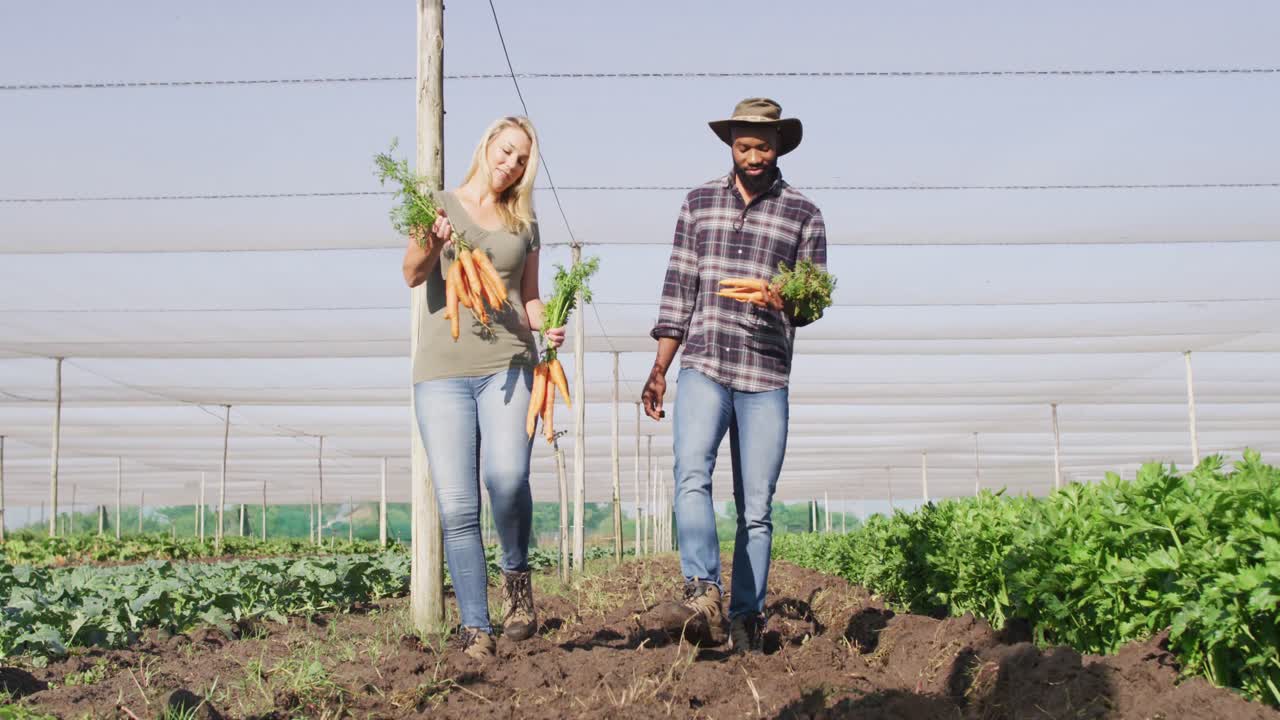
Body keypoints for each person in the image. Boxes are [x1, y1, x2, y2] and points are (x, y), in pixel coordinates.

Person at [640, 98, 828, 653]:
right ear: (731, 144)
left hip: (766, 374)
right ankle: (702, 591)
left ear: (779, 148)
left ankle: (747, 614)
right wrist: (659, 368)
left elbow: (814, 299)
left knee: (758, 504)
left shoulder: (803, 214)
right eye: (744, 145)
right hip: (704, 362)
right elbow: (679, 289)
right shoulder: (698, 204)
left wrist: (784, 297)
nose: (753, 155)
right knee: (691, 473)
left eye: (763, 146)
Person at [402, 116, 566, 661]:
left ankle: (517, 578)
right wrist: (434, 243)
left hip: (509, 361)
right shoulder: (437, 205)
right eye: (507, 150)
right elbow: (410, 272)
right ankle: (477, 627)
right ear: (488, 144)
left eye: (522, 160)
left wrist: (548, 324)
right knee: (456, 505)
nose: (512, 163)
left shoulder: (524, 221)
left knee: (507, 475)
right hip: (443, 371)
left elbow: (531, 294)